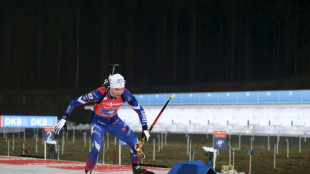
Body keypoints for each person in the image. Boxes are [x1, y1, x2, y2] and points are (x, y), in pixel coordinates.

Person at [54, 73, 154, 174]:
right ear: (110, 87)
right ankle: (87, 172)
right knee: (97, 147)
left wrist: (145, 128)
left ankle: (136, 170)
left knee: (136, 144)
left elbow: (140, 110)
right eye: (117, 89)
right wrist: (64, 118)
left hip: (114, 122)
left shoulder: (125, 94)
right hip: (98, 123)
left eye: (122, 89)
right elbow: (74, 102)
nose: (120, 92)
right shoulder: (99, 93)